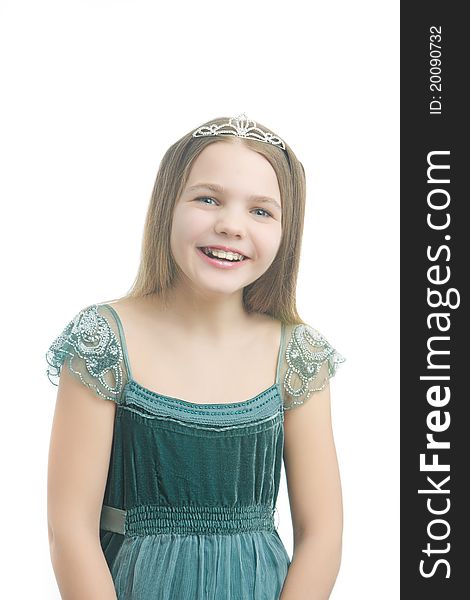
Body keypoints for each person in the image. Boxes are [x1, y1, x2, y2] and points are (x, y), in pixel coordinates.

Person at [45, 113, 346, 600]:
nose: (230, 225)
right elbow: (70, 530)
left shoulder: (297, 354)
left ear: (287, 232)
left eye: (262, 211)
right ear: (167, 205)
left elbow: (323, 535)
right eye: (208, 199)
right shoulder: (103, 341)